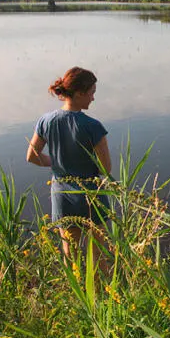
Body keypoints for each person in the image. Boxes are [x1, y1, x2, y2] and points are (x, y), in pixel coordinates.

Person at [26, 66, 112, 273]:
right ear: (80, 93)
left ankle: (74, 293)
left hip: (62, 192)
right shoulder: (93, 126)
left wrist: (55, 162)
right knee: (98, 249)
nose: (93, 98)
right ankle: (99, 295)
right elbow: (105, 168)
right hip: (91, 192)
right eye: (91, 93)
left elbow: (32, 156)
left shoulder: (46, 121)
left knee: (70, 250)